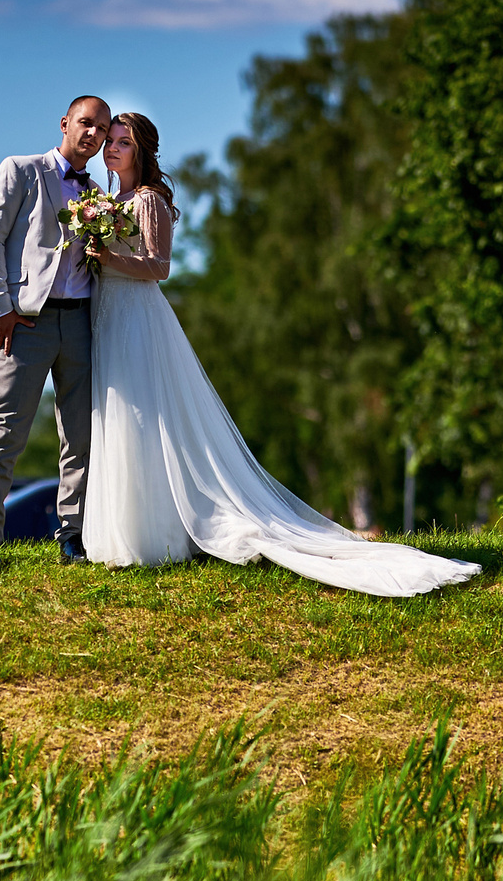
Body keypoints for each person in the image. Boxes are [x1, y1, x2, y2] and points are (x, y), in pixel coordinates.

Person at [83, 114, 480, 598]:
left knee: (148, 418)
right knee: (122, 417)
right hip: (107, 316)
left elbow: (159, 267)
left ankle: (155, 535)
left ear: (143, 151)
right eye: (110, 142)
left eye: (123, 142)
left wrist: (107, 258)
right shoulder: (105, 203)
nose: (112, 150)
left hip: (139, 318)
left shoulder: (148, 201)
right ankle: (123, 529)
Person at [0, 95, 112, 571]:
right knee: (6, 429)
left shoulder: (96, 192)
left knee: (80, 435)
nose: (93, 134)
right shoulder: (21, 169)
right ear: (65, 123)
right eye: (86, 124)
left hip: (81, 322)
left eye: (102, 128)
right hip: (25, 322)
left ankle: (72, 534)